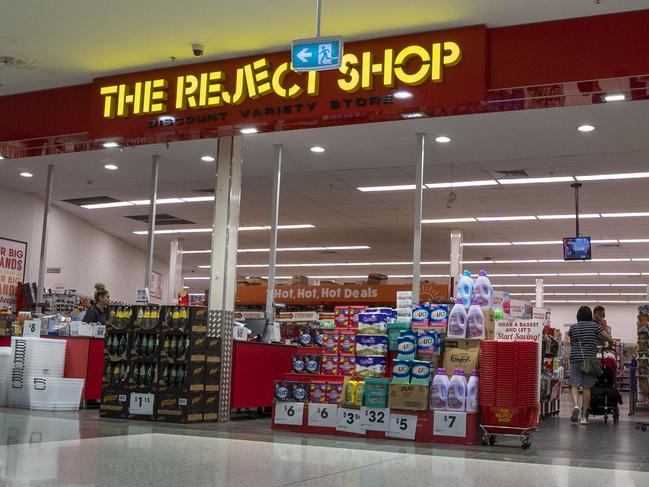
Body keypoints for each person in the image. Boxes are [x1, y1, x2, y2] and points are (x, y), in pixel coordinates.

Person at [568, 305, 613, 425]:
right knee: (587, 387)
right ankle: (584, 416)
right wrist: (608, 345)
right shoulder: (595, 326)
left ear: (578, 316)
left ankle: (576, 406)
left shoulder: (573, 328)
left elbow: (572, 344)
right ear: (590, 316)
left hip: (575, 359)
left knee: (574, 384)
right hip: (590, 360)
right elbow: (609, 339)